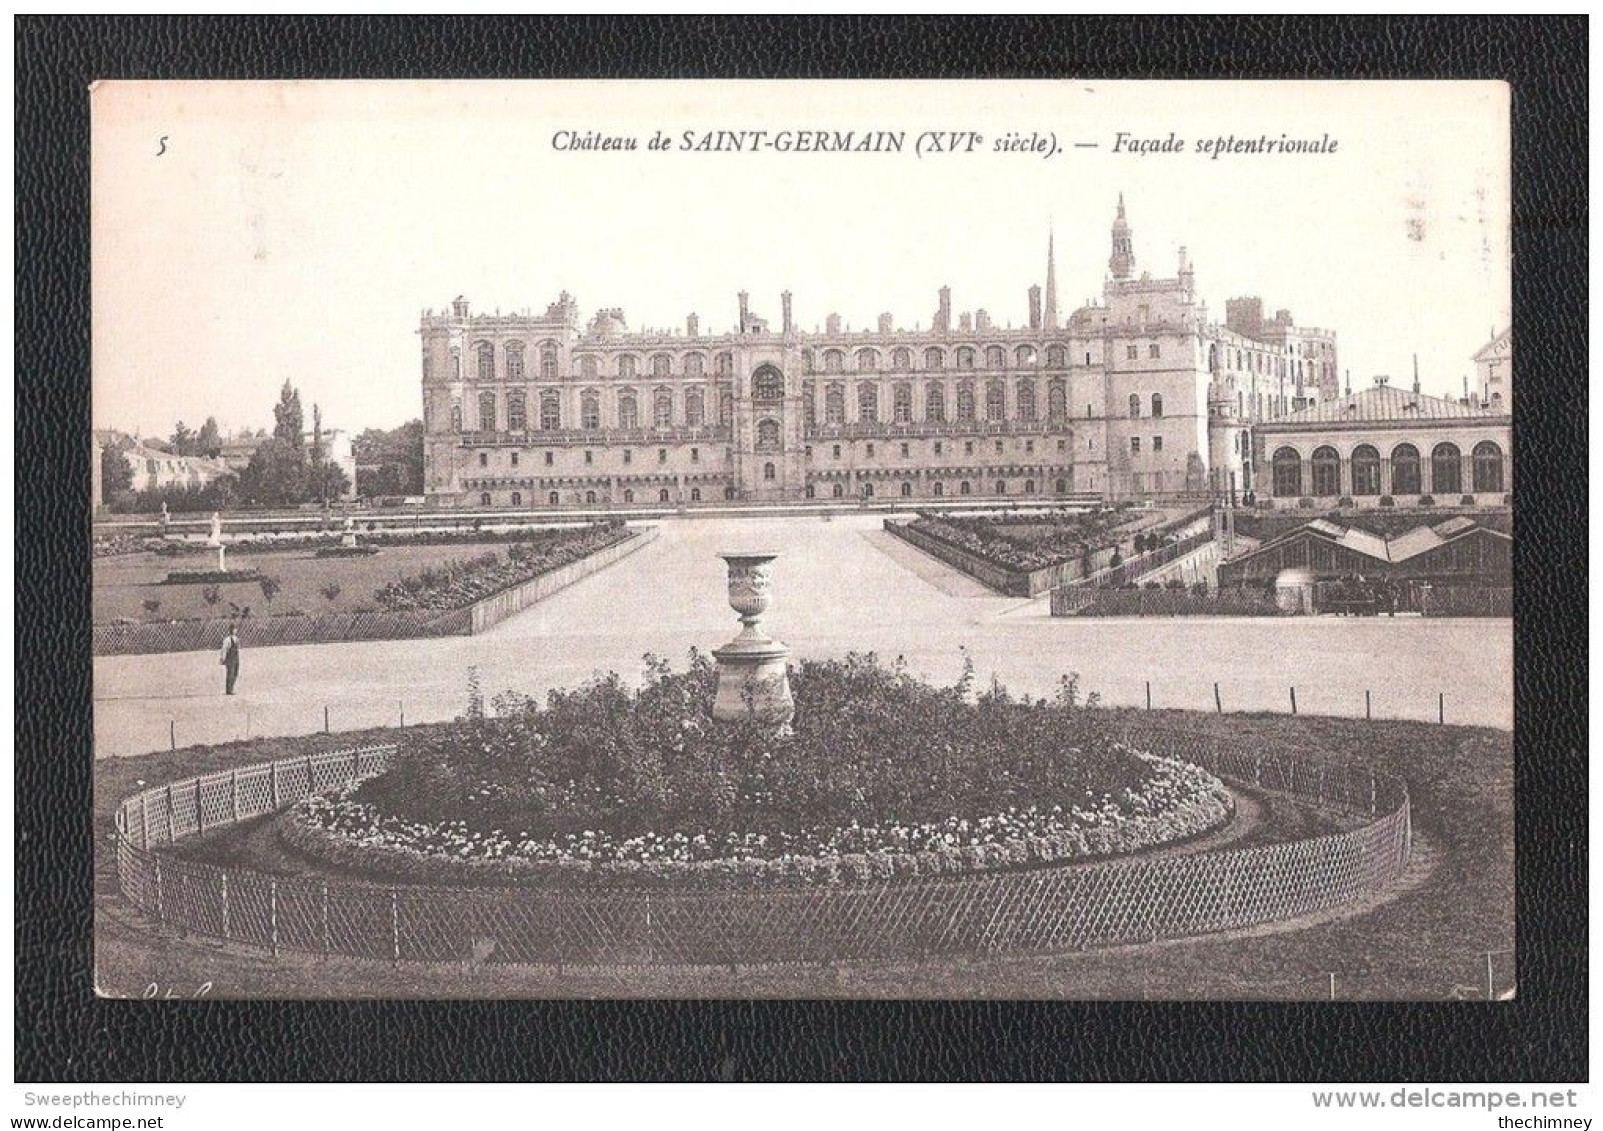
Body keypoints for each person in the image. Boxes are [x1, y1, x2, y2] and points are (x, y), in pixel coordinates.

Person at [220, 625, 241, 695]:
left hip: (236, 658)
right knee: (230, 674)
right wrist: (222, 658)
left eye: (235, 629)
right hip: (230, 658)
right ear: (231, 630)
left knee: (235, 673)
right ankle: (228, 690)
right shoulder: (227, 639)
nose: (235, 630)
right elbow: (224, 649)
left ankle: (231, 688)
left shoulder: (237, 639)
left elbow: (238, 648)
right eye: (234, 629)